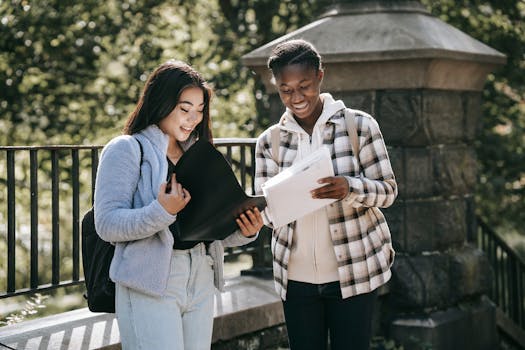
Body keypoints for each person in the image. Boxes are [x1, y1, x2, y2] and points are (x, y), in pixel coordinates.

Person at [94, 60, 263, 349]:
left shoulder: (199, 154)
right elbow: (107, 224)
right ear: (161, 103)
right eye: (184, 109)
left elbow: (208, 229)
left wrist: (245, 229)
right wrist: (162, 212)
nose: (193, 119)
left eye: (199, 111)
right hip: (149, 282)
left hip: (201, 274)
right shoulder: (126, 149)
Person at [255, 39, 398, 350]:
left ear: (320, 76)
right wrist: (270, 208)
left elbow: (387, 192)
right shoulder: (270, 141)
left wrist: (350, 188)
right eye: (285, 90)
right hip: (296, 281)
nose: (296, 97)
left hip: (354, 273)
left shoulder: (359, 126)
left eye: (304, 86)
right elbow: (266, 213)